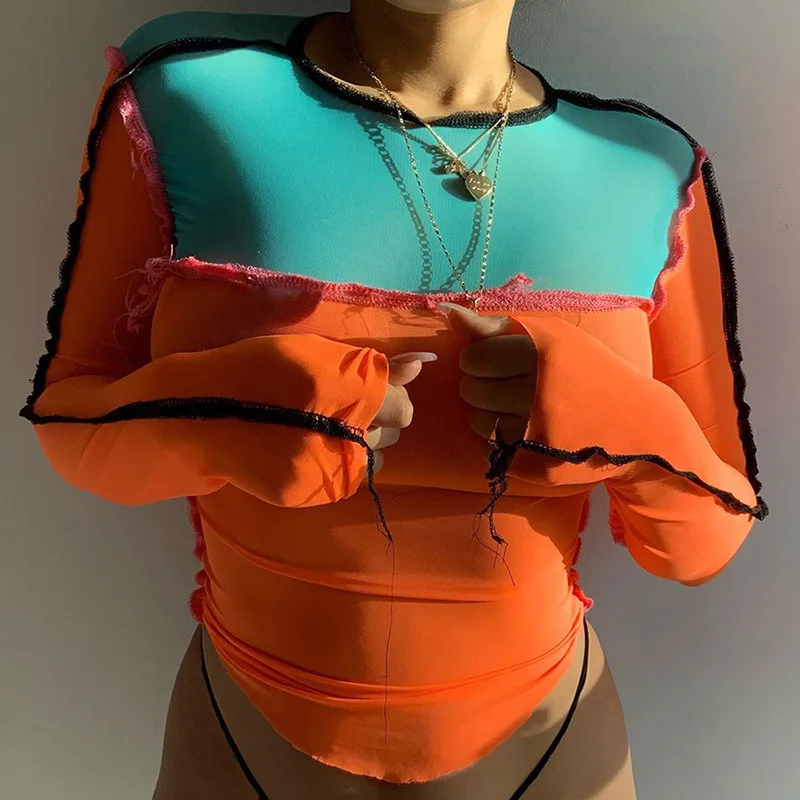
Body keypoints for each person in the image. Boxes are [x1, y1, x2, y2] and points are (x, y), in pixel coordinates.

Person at [21, 1, 768, 798]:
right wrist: (249, 407)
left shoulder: (651, 168)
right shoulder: (189, 87)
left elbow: (705, 538)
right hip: (244, 740)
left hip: (550, 751)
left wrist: (604, 417)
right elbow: (72, 421)